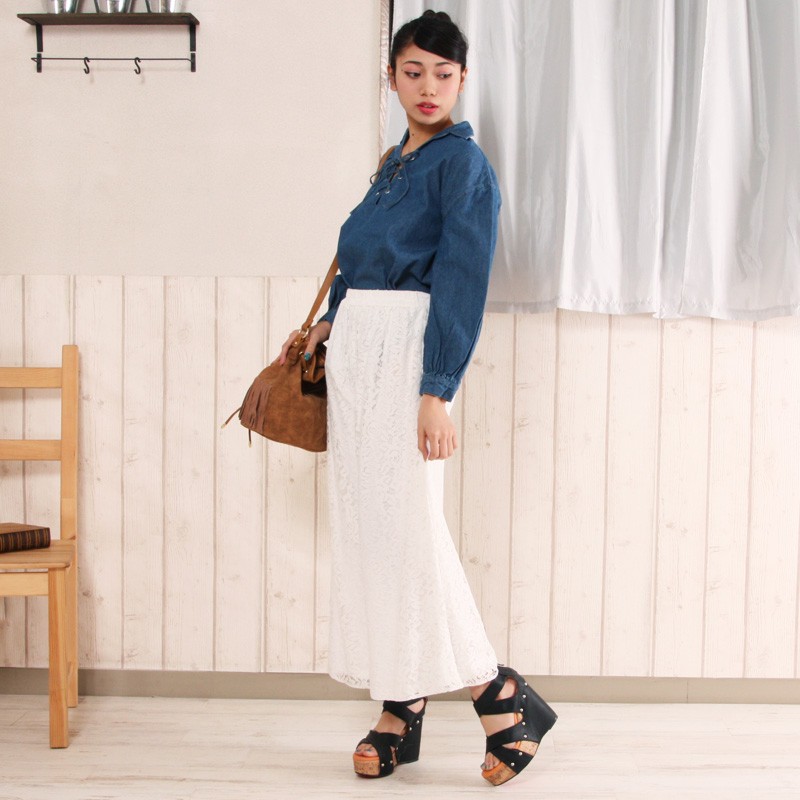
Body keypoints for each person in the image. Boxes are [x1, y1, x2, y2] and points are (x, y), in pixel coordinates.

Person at [277, 10, 557, 787]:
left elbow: (461, 283)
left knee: (409, 529)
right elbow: (361, 262)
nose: (428, 86)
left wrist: (437, 390)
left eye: (442, 73)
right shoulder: (393, 162)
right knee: (372, 532)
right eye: (412, 71)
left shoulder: (464, 167)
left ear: (463, 79)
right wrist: (328, 324)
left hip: (409, 358)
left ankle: (499, 695)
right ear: (391, 77)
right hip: (357, 360)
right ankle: (400, 703)